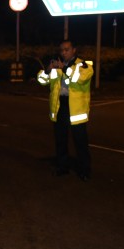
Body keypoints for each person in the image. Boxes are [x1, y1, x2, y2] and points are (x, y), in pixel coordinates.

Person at [36, 39, 94, 180]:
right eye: (61, 50)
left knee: (80, 142)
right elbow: (42, 81)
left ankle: (84, 171)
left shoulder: (83, 65)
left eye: (67, 49)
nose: (63, 52)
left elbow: (80, 79)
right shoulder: (57, 65)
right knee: (60, 140)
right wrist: (47, 70)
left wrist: (65, 69)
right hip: (60, 106)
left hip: (76, 109)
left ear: (74, 50)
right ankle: (63, 167)